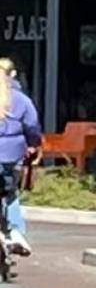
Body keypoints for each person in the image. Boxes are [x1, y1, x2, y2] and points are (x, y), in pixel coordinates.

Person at [0, 57, 42, 257]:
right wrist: (33, 145)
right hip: (12, 157)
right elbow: (32, 127)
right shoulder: (22, 100)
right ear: (13, 75)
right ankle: (16, 233)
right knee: (10, 195)